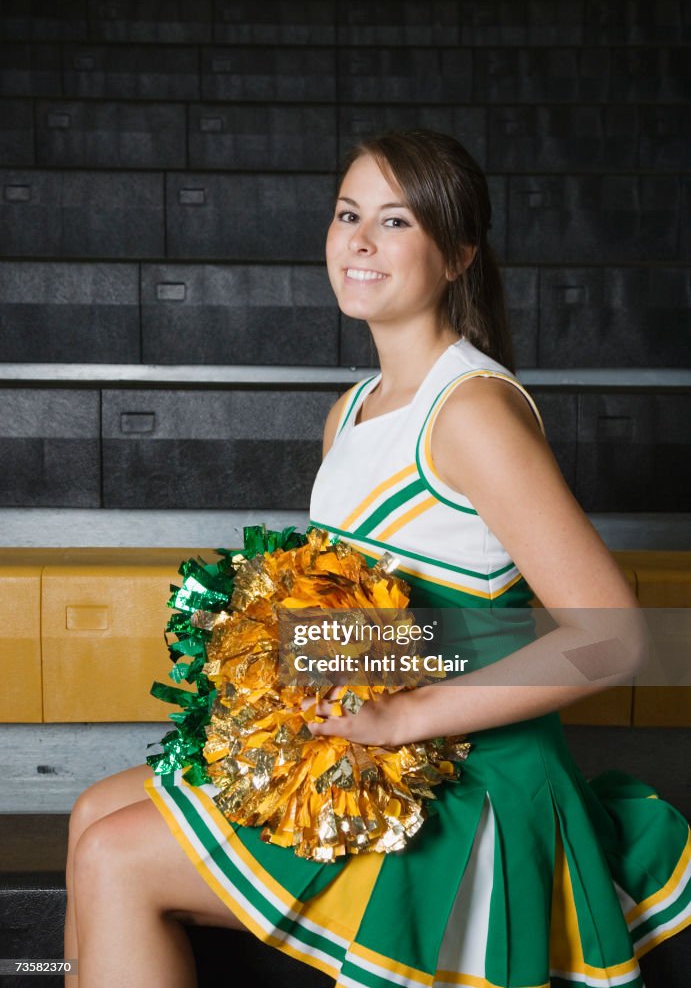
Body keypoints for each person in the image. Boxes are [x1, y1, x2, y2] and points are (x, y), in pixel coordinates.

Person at [65, 130, 690, 988]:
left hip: (463, 774)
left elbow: (613, 639)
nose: (357, 242)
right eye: (346, 214)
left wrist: (403, 716)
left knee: (115, 856)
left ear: (457, 253)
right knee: (94, 808)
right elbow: (384, 622)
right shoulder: (352, 409)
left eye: (393, 221)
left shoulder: (469, 412)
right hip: (364, 752)